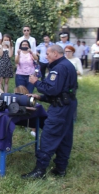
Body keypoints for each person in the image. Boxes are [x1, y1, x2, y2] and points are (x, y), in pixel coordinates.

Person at [22, 45, 78, 179]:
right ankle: (60, 168)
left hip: (60, 108)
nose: (46, 56)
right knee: (64, 136)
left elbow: (52, 90)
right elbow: (61, 90)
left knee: (49, 135)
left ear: (55, 54)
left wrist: (36, 83)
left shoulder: (58, 68)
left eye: (47, 53)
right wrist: (40, 97)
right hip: (67, 105)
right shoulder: (67, 64)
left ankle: (39, 170)